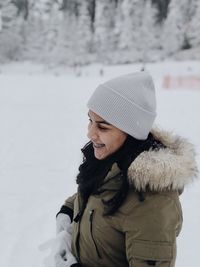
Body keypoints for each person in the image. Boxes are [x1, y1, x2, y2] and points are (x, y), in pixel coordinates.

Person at [54, 72, 198, 267]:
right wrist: (68, 210)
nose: (90, 133)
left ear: (130, 132)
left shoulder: (153, 204)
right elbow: (100, 192)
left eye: (103, 127)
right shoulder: (111, 162)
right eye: (90, 120)